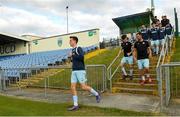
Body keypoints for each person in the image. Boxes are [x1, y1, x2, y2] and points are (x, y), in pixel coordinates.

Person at [68, 36, 101, 111]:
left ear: (75, 41)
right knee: (72, 87)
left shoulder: (78, 48)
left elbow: (81, 57)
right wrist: (70, 57)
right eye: (69, 41)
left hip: (80, 70)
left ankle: (97, 94)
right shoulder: (72, 50)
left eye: (70, 41)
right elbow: (74, 61)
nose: (69, 42)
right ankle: (75, 105)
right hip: (74, 71)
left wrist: (72, 55)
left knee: (83, 87)